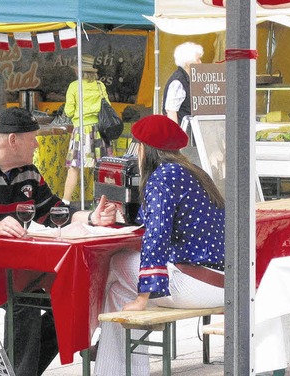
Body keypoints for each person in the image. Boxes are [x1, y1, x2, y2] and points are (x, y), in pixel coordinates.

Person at [0, 107, 117, 376]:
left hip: (6, 258)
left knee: (70, 299)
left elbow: (52, 211)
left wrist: (91, 217)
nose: (38, 144)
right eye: (33, 138)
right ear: (13, 140)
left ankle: (13, 371)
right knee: (24, 302)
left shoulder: (27, 170)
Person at [94, 114, 225, 376]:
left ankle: (94, 342)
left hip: (197, 284)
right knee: (119, 294)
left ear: (144, 149)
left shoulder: (162, 178)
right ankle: (115, 371)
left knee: (117, 262)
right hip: (222, 282)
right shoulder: (193, 172)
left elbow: (156, 236)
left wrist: (144, 297)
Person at [62, 54, 111, 205]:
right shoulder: (100, 86)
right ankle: (102, 203)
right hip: (100, 131)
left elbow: (69, 111)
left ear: (78, 70)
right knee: (101, 168)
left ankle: (65, 202)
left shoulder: (74, 86)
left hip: (81, 131)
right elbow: (108, 106)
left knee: (74, 168)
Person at [162, 42, 204, 126]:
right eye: (198, 59)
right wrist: (176, 136)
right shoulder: (178, 82)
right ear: (188, 62)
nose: (201, 62)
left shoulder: (190, 78)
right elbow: (171, 112)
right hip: (184, 132)